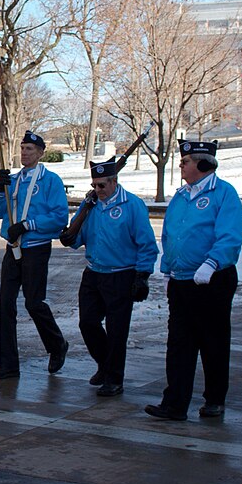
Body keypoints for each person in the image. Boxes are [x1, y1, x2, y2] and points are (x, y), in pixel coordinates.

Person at [145, 139, 242, 421]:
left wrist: (212, 262)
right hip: (181, 280)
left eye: (185, 162)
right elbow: (170, 236)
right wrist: (167, 269)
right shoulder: (181, 196)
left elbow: (230, 236)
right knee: (179, 343)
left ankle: (214, 399)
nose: (181, 166)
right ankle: (174, 403)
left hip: (212, 279)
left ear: (202, 164)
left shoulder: (223, 194)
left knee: (212, 341)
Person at [64, 157, 158, 397]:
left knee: (117, 330)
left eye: (102, 186)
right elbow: (76, 237)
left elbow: (146, 243)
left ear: (114, 182)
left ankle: (114, 378)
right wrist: (70, 235)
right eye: (94, 185)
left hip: (121, 274)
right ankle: (104, 364)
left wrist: (142, 274)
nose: (97, 190)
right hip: (94, 273)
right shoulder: (91, 206)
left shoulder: (132, 205)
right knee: (87, 323)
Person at [0, 131, 70, 379]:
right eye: (23, 148)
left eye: (30, 149)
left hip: (36, 248)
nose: (25, 153)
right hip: (13, 248)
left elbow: (59, 217)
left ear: (41, 153)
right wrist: (0, 190)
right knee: (5, 305)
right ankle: (9, 364)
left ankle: (57, 345)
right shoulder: (14, 180)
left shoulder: (50, 181)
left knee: (33, 303)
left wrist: (28, 225)